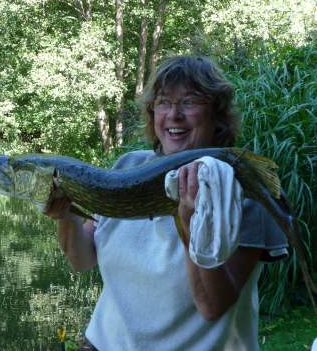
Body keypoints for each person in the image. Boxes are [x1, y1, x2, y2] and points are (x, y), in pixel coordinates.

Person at [46, 56, 288, 351]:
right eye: (163, 102)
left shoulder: (241, 190)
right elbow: (82, 259)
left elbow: (213, 306)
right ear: (152, 113)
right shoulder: (127, 167)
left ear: (218, 115)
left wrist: (191, 226)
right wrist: (66, 216)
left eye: (189, 102)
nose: (173, 115)